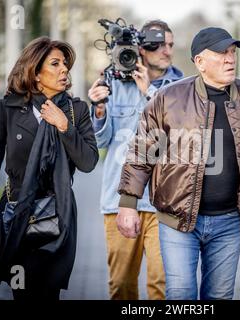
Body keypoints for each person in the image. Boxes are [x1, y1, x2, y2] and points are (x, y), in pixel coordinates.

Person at [116, 27, 240, 300]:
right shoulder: (168, 98)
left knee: (219, 297)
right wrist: (128, 205)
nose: (230, 59)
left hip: (231, 220)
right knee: (181, 295)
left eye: (232, 52)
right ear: (199, 62)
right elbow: (141, 154)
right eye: (221, 53)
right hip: (178, 220)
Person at [0, 36, 99, 300]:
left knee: (48, 293)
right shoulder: (9, 108)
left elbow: (88, 162)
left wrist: (64, 126)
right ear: (36, 73)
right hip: (17, 212)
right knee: (22, 291)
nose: (64, 69)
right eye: (55, 64)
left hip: (57, 213)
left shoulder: (76, 110)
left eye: (65, 63)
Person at [88, 20, 183, 300]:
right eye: (160, 45)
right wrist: (100, 109)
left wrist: (149, 94)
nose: (167, 51)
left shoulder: (181, 86)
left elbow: (181, 139)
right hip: (119, 202)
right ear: (141, 49)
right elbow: (99, 144)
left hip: (165, 203)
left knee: (162, 287)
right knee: (121, 287)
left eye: (170, 45)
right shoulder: (113, 84)